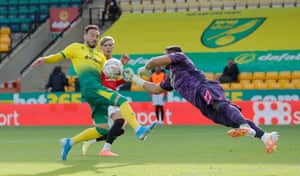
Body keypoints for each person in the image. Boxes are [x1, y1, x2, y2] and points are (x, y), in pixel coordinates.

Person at [30, 25, 157, 161]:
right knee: (123, 101)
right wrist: (44, 59)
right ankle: (138, 129)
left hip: (95, 92)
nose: (94, 38)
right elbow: (59, 56)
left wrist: (121, 66)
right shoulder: (75, 48)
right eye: (91, 35)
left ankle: (70, 142)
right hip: (92, 89)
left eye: (96, 36)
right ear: (85, 36)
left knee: (102, 129)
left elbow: (109, 76)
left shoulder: (100, 57)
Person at [123, 45, 279, 154]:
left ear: (172, 54)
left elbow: (155, 62)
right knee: (227, 120)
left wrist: (145, 68)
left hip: (204, 87)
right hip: (199, 102)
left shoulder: (180, 58)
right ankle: (266, 137)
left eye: (165, 54)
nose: (164, 57)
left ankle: (245, 126)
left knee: (220, 105)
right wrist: (136, 80)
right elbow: (156, 89)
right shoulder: (171, 78)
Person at [82, 36, 129, 157]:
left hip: (112, 94)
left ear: (113, 46)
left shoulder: (114, 62)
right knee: (120, 120)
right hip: (103, 97)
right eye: (105, 45)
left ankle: (90, 141)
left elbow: (113, 82)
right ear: (101, 47)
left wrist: (123, 73)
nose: (108, 47)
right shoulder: (97, 61)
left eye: (110, 45)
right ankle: (105, 150)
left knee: (119, 129)